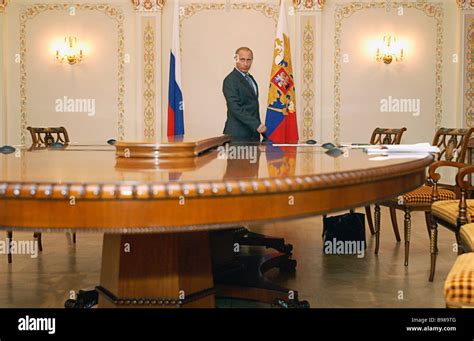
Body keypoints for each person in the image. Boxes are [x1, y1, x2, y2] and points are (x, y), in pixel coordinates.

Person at [222, 47, 267, 142]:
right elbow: (235, 108)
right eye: (242, 60)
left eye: (248, 60)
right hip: (237, 135)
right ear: (236, 59)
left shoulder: (251, 78)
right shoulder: (230, 80)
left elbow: (252, 106)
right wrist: (256, 124)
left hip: (253, 134)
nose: (246, 63)